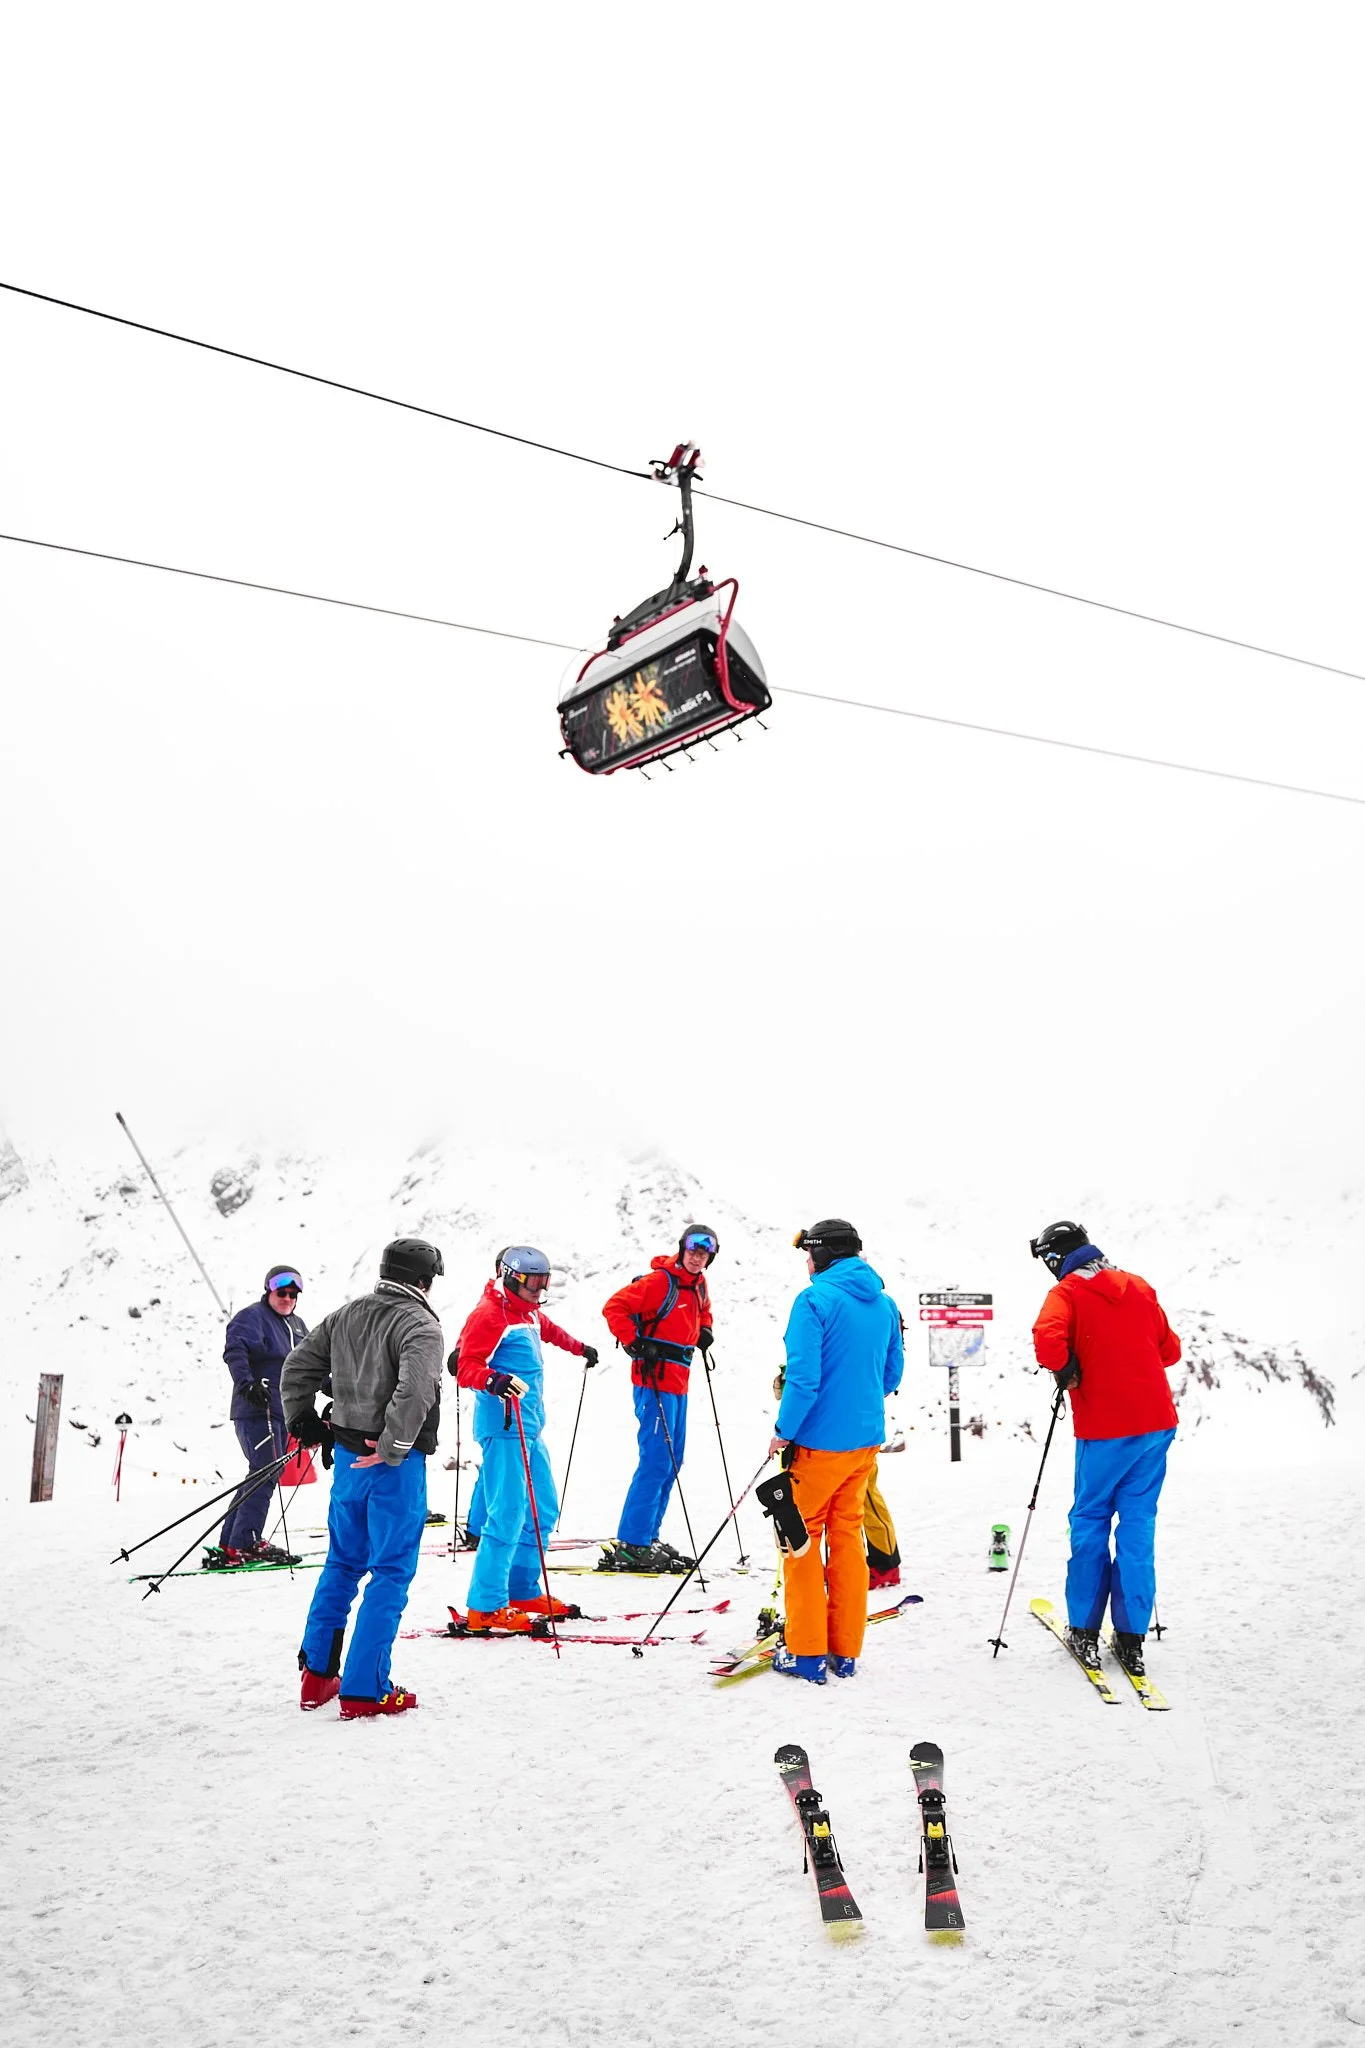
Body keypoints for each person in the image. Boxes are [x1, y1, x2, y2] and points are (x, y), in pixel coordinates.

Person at [283, 1237, 445, 1718]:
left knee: (342, 1564)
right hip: (392, 1467)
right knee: (391, 1573)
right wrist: (394, 1445)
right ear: (423, 1280)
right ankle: (364, 1689)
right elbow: (415, 1390)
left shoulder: (347, 1313)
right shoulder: (420, 1324)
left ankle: (317, 1678)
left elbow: (297, 1367)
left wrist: (303, 1421)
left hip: (348, 1463)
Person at [1030, 1219, 1181, 1678]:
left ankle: (1084, 1629)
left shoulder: (1066, 1293)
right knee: (1138, 1524)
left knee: (1091, 1519)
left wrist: (1068, 1366)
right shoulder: (1137, 1285)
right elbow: (1169, 1350)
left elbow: (1046, 1340)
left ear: (1056, 1259)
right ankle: (1131, 1635)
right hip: (1156, 1424)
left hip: (1103, 1429)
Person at [768, 1220, 904, 1684]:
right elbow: (891, 1376)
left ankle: (806, 1653)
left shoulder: (814, 1301)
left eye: (808, 1252)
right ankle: (844, 1652)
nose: (806, 1262)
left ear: (823, 1254)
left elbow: (803, 1380)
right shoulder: (884, 1303)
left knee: (800, 1542)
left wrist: (782, 1431)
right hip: (864, 1444)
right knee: (847, 1540)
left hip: (818, 1446)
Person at [454, 1247, 597, 1633]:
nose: (538, 1291)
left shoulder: (526, 1312)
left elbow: (549, 1331)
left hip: (530, 1426)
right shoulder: (489, 1315)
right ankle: (485, 1605)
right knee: (508, 1512)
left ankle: (521, 1587)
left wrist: (580, 1348)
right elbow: (465, 1366)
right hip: (503, 1427)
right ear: (510, 1277)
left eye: (544, 1284)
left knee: (544, 1508)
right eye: (533, 1284)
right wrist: (493, 1380)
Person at [599, 1224, 718, 1574]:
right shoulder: (659, 1282)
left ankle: (647, 1537)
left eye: (705, 1252)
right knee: (655, 1459)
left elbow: (703, 1309)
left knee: (672, 1460)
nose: (698, 1256)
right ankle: (633, 1544)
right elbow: (614, 1307)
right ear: (682, 1248)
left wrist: (705, 1329)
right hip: (654, 1379)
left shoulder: (698, 1285)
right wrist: (634, 1342)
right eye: (693, 1249)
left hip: (679, 1382)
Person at [206, 1264, 308, 1569]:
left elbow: (309, 1362)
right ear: (269, 1291)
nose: (287, 1298)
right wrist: (247, 1383)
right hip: (256, 1407)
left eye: (293, 1294)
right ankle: (246, 1541)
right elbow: (234, 1350)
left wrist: (331, 1387)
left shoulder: (298, 1325)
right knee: (265, 1471)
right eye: (281, 1292)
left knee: (263, 1472)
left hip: (282, 1410)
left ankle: (232, 1543)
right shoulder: (253, 1317)